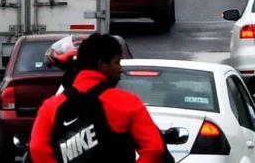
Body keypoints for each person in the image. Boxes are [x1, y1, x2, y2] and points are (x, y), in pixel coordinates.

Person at [29, 33, 165, 163]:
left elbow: (37, 149)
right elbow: (155, 149)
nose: (120, 69)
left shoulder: (51, 106)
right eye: (117, 62)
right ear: (102, 64)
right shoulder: (128, 102)